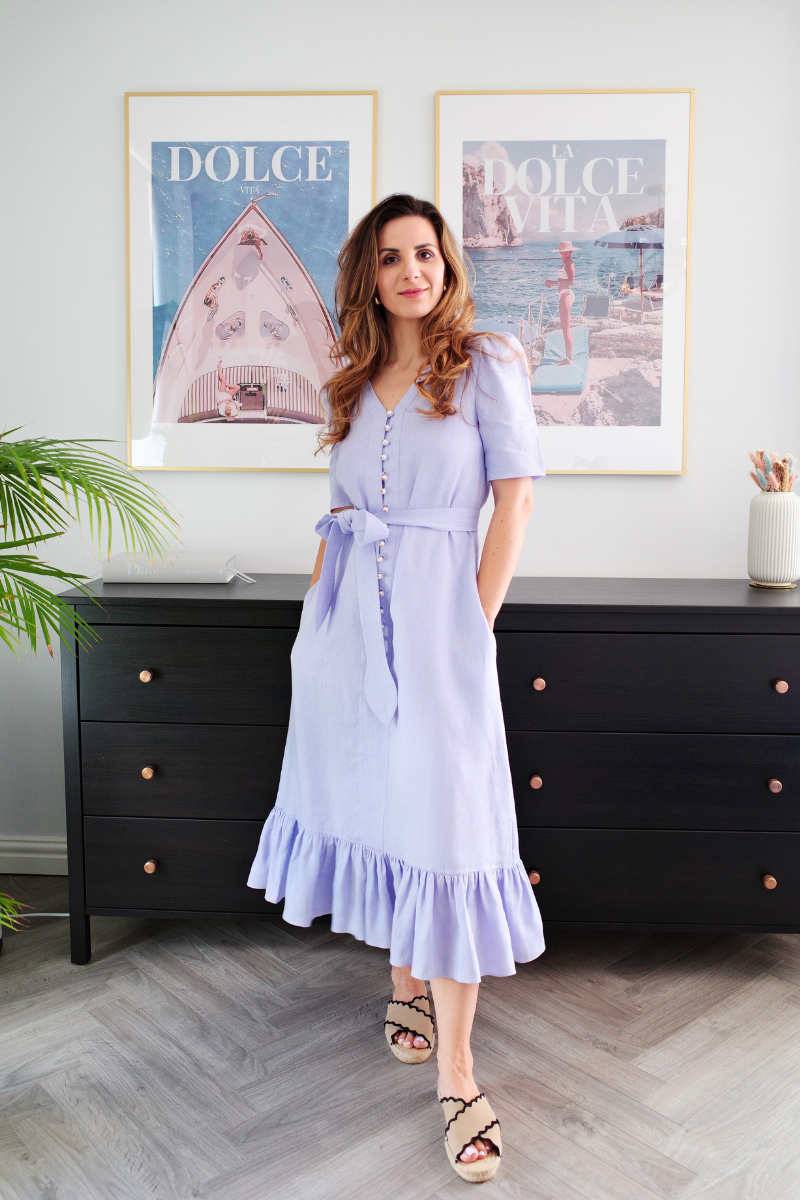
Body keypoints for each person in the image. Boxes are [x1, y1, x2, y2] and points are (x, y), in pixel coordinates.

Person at [248, 194, 546, 1184]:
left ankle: (458, 1074)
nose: (410, 270)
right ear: (368, 276)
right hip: (344, 633)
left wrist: (473, 622)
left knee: (451, 827)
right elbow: (336, 513)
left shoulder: (485, 363)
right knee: (377, 803)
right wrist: (314, 633)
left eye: (423, 252)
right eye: (389, 257)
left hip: (438, 626)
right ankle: (403, 982)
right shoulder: (351, 379)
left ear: (446, 262)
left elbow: (515, 500)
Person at [545, 240, 581, 365]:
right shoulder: (565, 263)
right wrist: (552, 283)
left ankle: (569, 359)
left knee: (566, 328)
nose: (563, 254)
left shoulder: (569, 263)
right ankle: (568, 357)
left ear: (570, 252)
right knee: (564, 327)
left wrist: (554, 283)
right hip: (564, 293)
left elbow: (571, 282)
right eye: (561, 252)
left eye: (565, 252)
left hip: (566, 293)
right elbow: (563, 279)